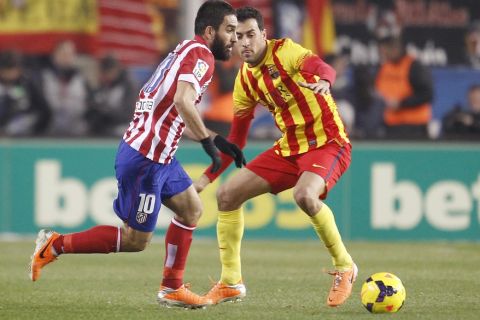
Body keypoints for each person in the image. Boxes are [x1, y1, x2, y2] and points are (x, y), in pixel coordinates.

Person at [29, 0, 244, 309]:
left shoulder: (184, 51)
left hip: (159, 156)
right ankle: (55, 244)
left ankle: (172, 288)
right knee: (135, 241)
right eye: (230, 31)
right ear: (210, 31)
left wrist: (215, 138)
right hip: (146, 160)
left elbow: (165, 108)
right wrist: (206, 142)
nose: (235, 39)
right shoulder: (202, 57)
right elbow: (184, 101)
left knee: (191, 210)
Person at [194, 7, 357, 307]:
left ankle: (345, 267)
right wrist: (206, 179)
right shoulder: (244, 80)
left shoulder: (286, 51)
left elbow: (323, 67)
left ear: (264, 35)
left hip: (328, 142)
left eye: (250, 35)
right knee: (228, 195)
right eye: (237, 36)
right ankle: (231, 282)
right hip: (289, 148)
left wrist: (325, 81)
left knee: (305, 196)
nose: (244, 43)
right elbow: (236, 142)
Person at [375, 34, 433, 139]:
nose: (383, 55)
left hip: (414, 126)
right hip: (391, 125)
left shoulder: (414, 66)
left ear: (395, 48)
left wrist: (401, 103)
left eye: (385, 51)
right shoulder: (384, 67)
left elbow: (427, 94)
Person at [40, 40, 90, 136]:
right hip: (50, 128)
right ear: (55, 55)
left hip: (78, 130)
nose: (67, 58)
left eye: (70, 54)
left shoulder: (80, 78)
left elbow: (88, 102)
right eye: (63, 54)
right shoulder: (44, 76)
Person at [0, 50, 50, 136]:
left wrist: (37, 133)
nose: (8, 75)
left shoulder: (28, 83)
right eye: (5, 71)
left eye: (12, 70)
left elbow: (45, 111)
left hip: (23, 134)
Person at [87, 54, 138, 137]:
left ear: (115, 70)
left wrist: (107, 114)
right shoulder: (103, 84)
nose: (105, 76)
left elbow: (128, 113)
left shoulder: (128, 86)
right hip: (105, 125)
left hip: (123, 125)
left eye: (107, 73)